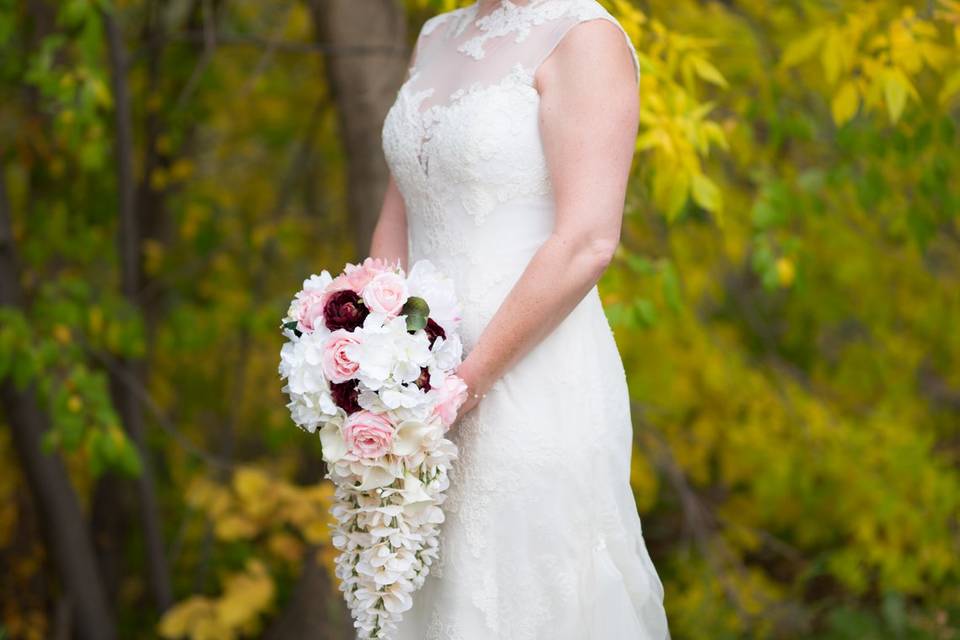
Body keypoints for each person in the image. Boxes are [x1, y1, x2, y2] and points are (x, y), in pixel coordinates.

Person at [371, 0, 671, 637]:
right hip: (415, 391)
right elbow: (401, 209)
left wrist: (461, 387)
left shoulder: (583, 36)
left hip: (528, 382)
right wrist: (370, 357)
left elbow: (588, 240)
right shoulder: (435, 34)